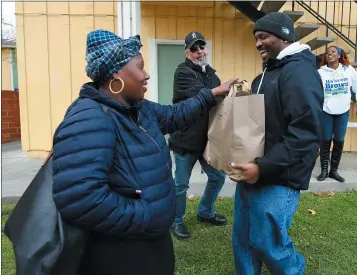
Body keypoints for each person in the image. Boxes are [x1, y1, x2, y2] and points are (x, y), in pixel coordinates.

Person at [51, 29, 237, 275]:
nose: (146, 75)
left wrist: (210, 95)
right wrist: (149, 215)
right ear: (115, 74)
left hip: (150, 239)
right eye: (140, 67)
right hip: (123, 250)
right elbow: (80, 199)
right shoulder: (89, 116)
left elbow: (174, 115)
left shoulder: (137, 107)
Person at [230, 12, 324, 275]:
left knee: (269, 244)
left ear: (283, 36)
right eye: (256, 38)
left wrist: (262, 167)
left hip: (278, 177)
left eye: (264, 37)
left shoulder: (299, 72)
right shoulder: (266, 74)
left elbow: (305, 134)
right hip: (253, 172)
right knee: (244, 241)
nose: (258, 43)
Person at [168, 31, 227, 239]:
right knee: (181, 185)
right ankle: (175, 221)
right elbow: (203, 95)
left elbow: (220, 105)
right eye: (194, 48)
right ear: (187, 52)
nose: (199, 51)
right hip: (185, 141)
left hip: (207, 141)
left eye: (202, 46)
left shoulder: (213, 75)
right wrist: (221, 90)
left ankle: (205, 212)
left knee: (218, 176)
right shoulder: (182, 73)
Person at [316, 45, 357, 182]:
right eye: (327, 53)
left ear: (339, 55)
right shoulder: (321, 72)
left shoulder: (348, 70)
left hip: (343, 110)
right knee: (325, 140)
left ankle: (334, 171)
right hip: (326, 110)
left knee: (339, 140)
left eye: (333, 52)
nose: (329, 54)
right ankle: (324, 171)